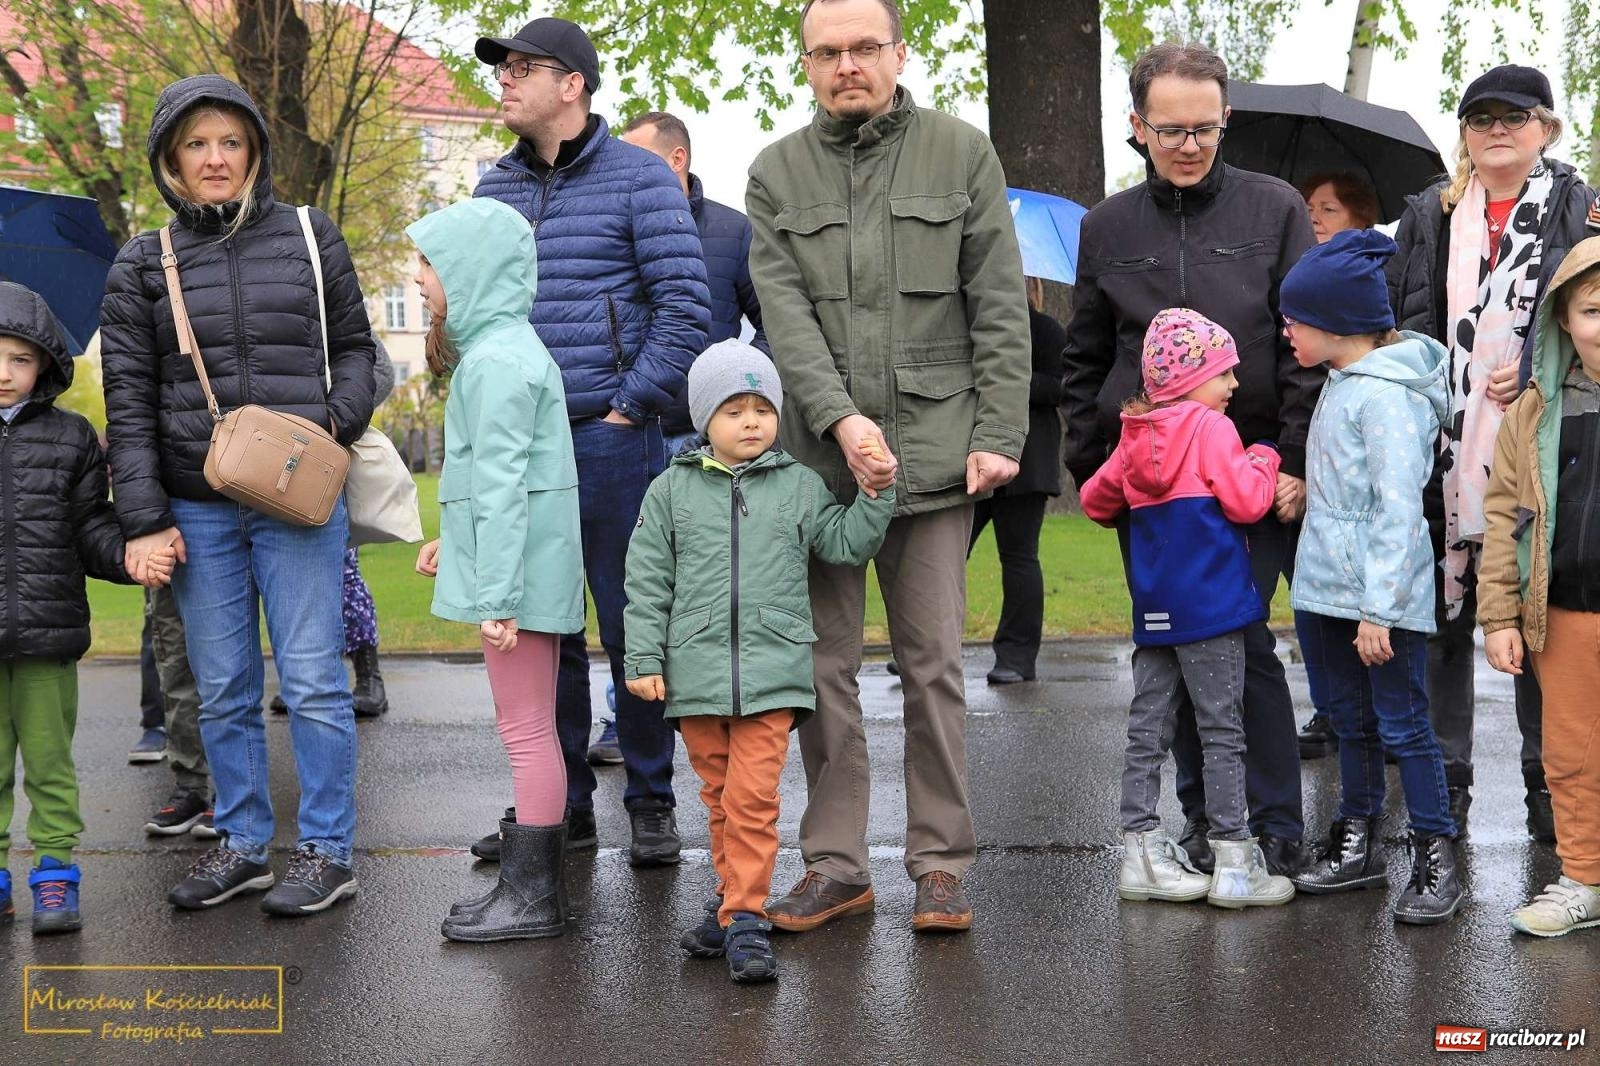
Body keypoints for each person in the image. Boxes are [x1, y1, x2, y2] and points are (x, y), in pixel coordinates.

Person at [747, 0, 1030, 934]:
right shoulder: (777, 174)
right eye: (827, 52)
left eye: (865, 47)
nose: (847, 65)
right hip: (821, 471)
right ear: (807, 65)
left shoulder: (962, 153)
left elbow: (997, 304)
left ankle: (940, 865)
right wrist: (837, 421)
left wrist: (1000, 431)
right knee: (821, 670)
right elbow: (783, 319)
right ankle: (836, 865)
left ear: (899, 53)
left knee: (933, 666)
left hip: (938, 458)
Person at [100, 74, 377, 916]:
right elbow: (129, 401)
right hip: (197, 504)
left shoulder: (308, 231)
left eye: (229, 141)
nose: (215, 158)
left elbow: (361, 350)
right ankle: (246, 844)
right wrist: (144, 517)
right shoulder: (143, 260)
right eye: (196, 144)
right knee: (220, 685)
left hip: (297, 497)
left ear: (253, 147)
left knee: (314, 681)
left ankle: (327, 850)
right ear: (170, 161)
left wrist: (329, 423)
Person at [1061, 41, 1318, 878]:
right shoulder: (1107, 226)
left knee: (1242, 650)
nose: (1188, 145)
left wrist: (1291, 458)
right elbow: (1085, 358)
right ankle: (1207, 826)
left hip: (1251, 479)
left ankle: (1272, 827)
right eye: (1170, 130)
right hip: (1153, 491)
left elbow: (1303, 347)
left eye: (1204, 128)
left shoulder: (1275, 209)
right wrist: (1090, 460)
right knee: (1172, 657)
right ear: (1137, 126)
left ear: (1225, 120)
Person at [471, 16, 710, 866]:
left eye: (520, 68)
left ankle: (649, 798)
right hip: (523, 450)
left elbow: (687, 306)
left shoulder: (643, 180)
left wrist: (628, 406)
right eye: (501, 69)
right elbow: (480, 319)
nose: (503, 80)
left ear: (571, 84)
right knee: (542, 629)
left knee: (631, 622)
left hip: (614, 439)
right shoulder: (491, 191)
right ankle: (560, 803)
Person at [624, 339, 894, 982]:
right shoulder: (670, 491)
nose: (751, 422)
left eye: (762, 409)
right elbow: (646, 579)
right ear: (703, 420)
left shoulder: (798, 485)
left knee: (751, 799)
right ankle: (730, 905)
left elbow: (844, 544)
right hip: (695, 674)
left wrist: (875, 495)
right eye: (734, 410)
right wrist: (641, 656)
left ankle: (745, 917)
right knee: (719, 799)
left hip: (773, 673)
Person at [1388, 63, 1600, 839]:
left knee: (1534, 614)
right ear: (1465, 135)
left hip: (1545, 442)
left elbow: (1593, 320)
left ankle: (1554, 795)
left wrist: (1544, 367)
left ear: (1546, 126)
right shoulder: (1429, 214)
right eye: (1481, 117)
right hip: (1441, 446)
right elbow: (1404, 320)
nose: (1497, 129)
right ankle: (1446, 794)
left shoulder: (1583, 209)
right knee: (1443, 621)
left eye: (1515, 115)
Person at [407, 197, 585, 943]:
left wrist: (499, 593)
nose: (417, 279)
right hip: (523, 568)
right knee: (531, 726)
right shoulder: (504, 352)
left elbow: (508, 487)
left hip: (519, 583)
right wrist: (458, 537)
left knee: (524, 730)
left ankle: (535, 897)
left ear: (471, 272)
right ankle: (525, 886)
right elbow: (501, 481)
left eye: (429, 264)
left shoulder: (496, 364)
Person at [1081, 308, 1294, 910]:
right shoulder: (1210, 430)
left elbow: (1097, 502)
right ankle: (1234, 862)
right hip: (1213, 609)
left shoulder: (1135, 435)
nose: (1234, 385)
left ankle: (1140, 853)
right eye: (1224, 373)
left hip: (1156, 613)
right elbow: (1249, 502)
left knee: (1148, 729)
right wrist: (1264, 457)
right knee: (1222, 730)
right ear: (1189, 380)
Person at [1281, 230, 1462, 925]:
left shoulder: (1386, 397)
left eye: (1295, 319)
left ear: (1336, 322)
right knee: (1350, 724)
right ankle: (1358, 841)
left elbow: (1395, 511)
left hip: (1376, 602)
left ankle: (1434, 853)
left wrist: (1379, 609)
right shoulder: (1340, 382)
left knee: (1403, 726)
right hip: (1325, 590)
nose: (1287, 330)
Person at [0, 281, 162, 934]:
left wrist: (129, 555)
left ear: (45, 366)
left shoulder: (71, 439)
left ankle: (56, 876)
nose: (4, 372)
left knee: (48, 763)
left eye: (19, 358)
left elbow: (91, 525)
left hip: (47, 633)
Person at [1479, 237, 1600, 937]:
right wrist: (1499, 616)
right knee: (1571, 752)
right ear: (1561, 318)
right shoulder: (1531, 411)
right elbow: (1503, 515)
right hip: (1563, 616)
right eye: (1590, 310)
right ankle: (1583, 875)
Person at [1293, 171, 1379, 758]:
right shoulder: (1301, 282)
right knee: (1315, 608)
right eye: (1309, 208)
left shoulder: (1364, 297)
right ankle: (1332, 710)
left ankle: (1370, 716)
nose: (1315, 218)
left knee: (1361, 615)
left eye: (1328, 208)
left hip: (1359, 504)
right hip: (1309, 470)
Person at [967, 277, 1064, 685]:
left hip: (1028, 464)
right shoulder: (972, 330)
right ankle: (926, 647)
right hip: (973, 457)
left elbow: (1061, 387)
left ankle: (1017, 656)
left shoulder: (1046, 331)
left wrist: (1007, 380)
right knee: (944, 556)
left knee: (1020, 559)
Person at [141, 585, 215, 839]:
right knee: (175, 671)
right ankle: (190, 787)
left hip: (231, 549)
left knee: (226, 674)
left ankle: (236, 794)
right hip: (169, 556)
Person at [1301, 172, 1380, 245]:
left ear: (1360, 221)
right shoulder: (1294, 256)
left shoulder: (1380, 259)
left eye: (1328, 209)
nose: (1312, 219)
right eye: (1309, 210)